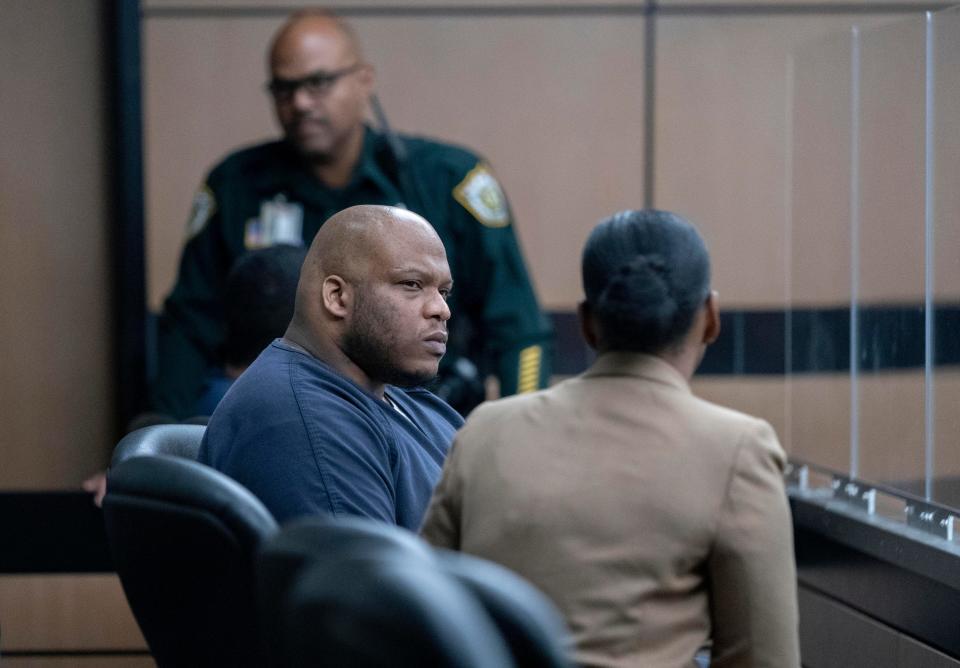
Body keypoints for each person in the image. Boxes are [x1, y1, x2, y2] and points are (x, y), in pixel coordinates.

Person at [421, 210, 800, 668]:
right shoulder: (739, 449)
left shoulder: (485, 430)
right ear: (711, 318)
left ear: (587, 322)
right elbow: (763, 657)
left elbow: (430, 612)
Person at [154, 8, 552, 419]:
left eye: (319, 83)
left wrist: (522, 434)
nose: (301, 102)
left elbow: (519, 330)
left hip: (424, 416)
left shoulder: (446, 181)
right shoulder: (235, 185)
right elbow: (190, 324)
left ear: (365, 80)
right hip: (279, 415)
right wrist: (155, 440)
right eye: (284, 89)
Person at [199, 205, 463, 527]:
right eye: (411, 284)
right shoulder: (300, 419)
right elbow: (363, 575)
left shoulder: (407, 402)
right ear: (337, 296)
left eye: (444, 291)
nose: (441, 309)